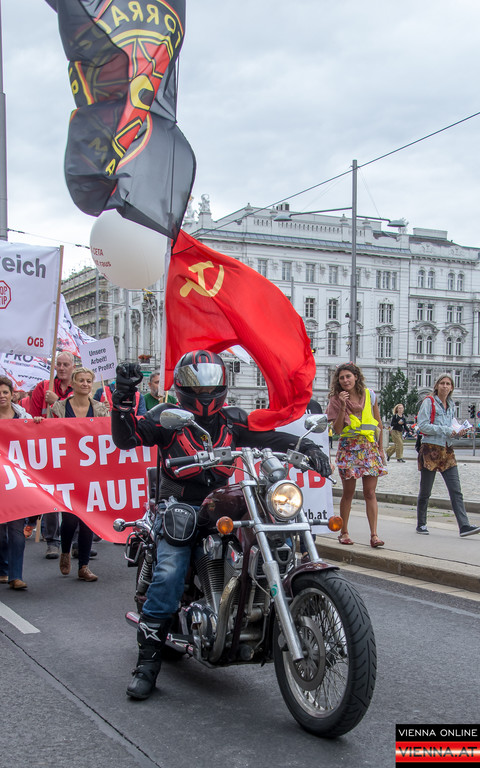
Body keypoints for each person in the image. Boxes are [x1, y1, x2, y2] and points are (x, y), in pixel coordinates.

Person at [111, 350, 332, 700]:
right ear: (182, 386)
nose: (204, 391)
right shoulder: (167, 417)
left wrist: (306, 449)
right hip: (179, 506)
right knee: (169, 572)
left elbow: (269, 437)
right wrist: (124, 396)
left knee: (270, 532)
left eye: (210, 383)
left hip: (218, 504)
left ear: (223, 384)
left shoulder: (232, 421)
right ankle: (147, 665)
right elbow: (127, 438)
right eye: (197, 384)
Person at [51, 367, 110, 581]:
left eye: (88, 381)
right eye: (81, 380)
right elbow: (48, 434)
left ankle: (83, 566)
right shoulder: (59, 407)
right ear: (73, 384)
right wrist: (40, 422)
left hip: (91, 471)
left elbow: (107, 436)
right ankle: (65, 551)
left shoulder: (100, 409)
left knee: (87, 519)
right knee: (69, 518)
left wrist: (111, 418)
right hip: (67, 470)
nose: (85, 384)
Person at [326, 362, 386, 548]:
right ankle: (344, 532)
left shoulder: (370, 395)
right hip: (349, 449)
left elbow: (378, 423)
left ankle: (374, 535)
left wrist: (381, 449)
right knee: (348, 493)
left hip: (369, 448)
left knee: (370, 492)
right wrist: (343, 406)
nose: (345, 380)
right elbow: (337, 430)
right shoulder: (336, 400)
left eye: (348, 376)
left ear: (356, 377)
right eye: (342, 378)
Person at [416, 373, 480, 537]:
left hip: (447, 450)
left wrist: (458, 432)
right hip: (430, 449)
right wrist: (446, 430)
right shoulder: (429, 402)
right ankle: (421, 524)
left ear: (452, 387)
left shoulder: (451, 405)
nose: (445, 386)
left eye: (448, 384)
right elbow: (423, 426)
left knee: (455, 490)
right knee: (426, 490)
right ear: (437, 385)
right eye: (442, 383)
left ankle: (464, 526)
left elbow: (452, 426)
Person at [28, 350, 76, 559]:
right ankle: (52, 541)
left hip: (73, 447)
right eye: (59, 364)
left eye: (66, 364)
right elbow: (31, 417)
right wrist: (38, 420)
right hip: (49, 447)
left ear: (73, 367)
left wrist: (57, 401)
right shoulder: (43, 387)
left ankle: (75, 540)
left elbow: (78, 418)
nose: (62, 368)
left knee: (75, 493)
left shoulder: (78, 388)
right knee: (50, 493)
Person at [0, 376, 39, 589]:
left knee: (16, 529)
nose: (2, 396)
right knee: (1, 532)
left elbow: (35, 439)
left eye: (5, 392)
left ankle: (16, 576)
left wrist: (37, 424)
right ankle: (3, 568)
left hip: (16, 481)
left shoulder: (24, 417)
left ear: (12, 394)